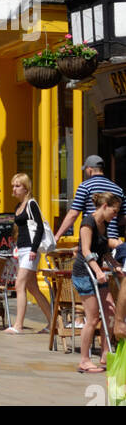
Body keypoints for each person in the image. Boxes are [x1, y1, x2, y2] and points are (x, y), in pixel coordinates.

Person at [72, 191, 120, 374]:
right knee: (92, 318)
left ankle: (105, 354)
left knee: (111, 311)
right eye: (114, 212)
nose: (115, 216)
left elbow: (103, 250)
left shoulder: (105, 223)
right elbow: (85, 250)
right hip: (85, 273)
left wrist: (115, 265)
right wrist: (99, 271)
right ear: (105, 206)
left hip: (97, 273)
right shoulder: (87, 223)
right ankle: (84, 360)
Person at [6, 173, 52, 334]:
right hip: (22, 249)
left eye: (17, 185)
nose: (14, 188)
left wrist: (33, 249)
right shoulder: (17, 207)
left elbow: (39, 227)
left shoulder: (31, 204)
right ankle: (53, 321)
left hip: (30, 251)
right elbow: (20, 229)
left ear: (26, 188)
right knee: (33, 288)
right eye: (13, 185)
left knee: (20, 285)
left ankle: (18, 325)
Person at [54, 155, 124, 245]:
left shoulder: (85, 186)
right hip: (113, 241)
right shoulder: (118, 189)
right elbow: (123, 218)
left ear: (89, 169)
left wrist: (57, 236)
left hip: (92, 239)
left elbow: (73, 214)